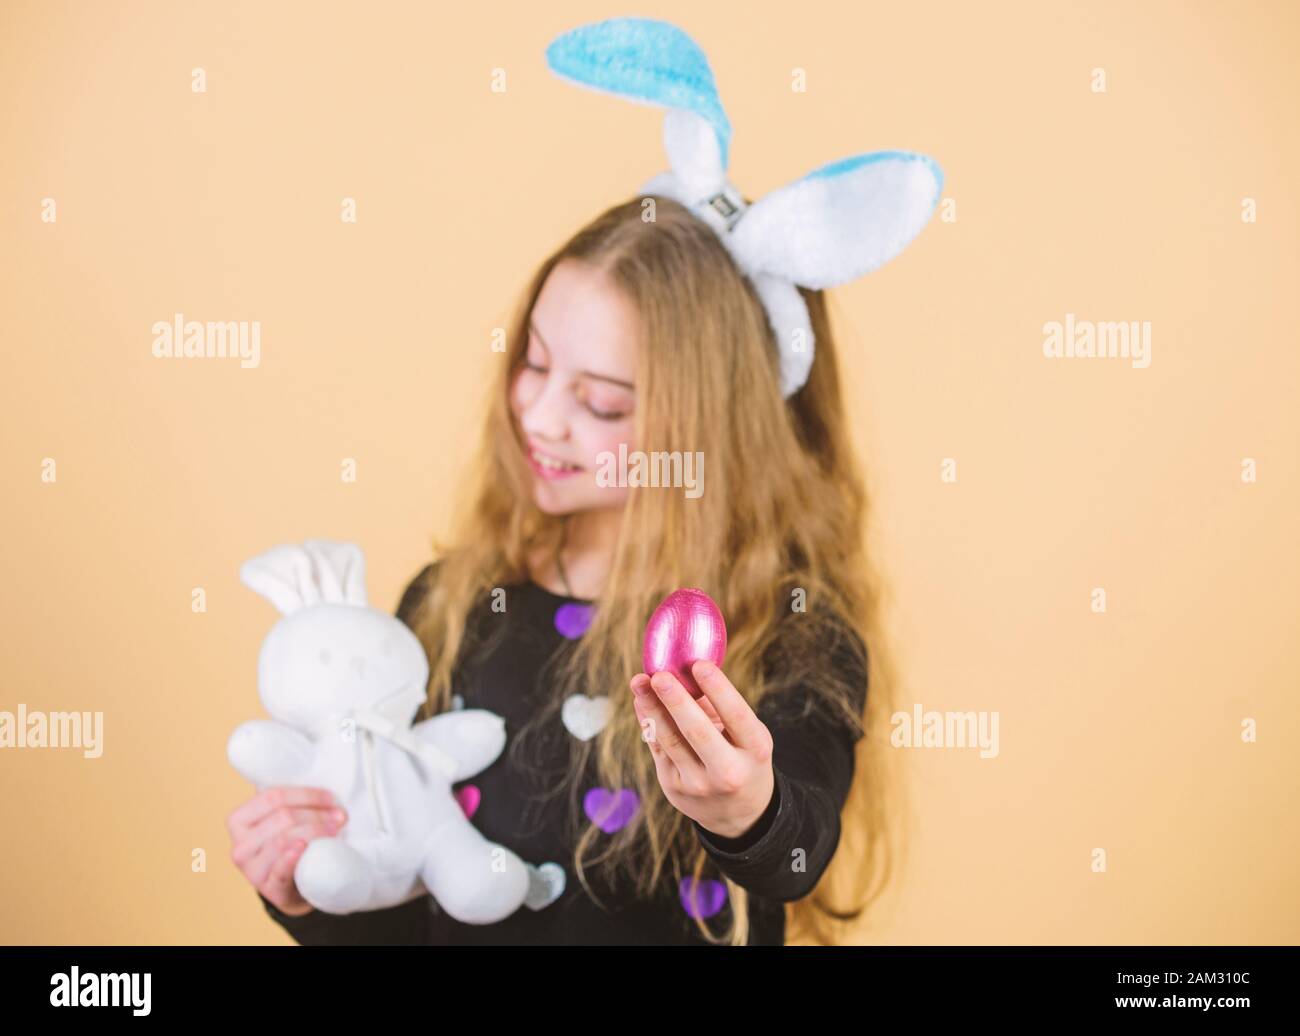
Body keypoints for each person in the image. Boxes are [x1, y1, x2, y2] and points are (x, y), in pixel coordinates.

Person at [227, 16, 938, 946]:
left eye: (601, 402)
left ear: (711, 436)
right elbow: (404, 915)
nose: (541, 416)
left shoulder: (791, 632)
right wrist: (307, 894)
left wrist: (748, 811)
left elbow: (799, 850)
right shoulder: (448, 607)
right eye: (533, 362)